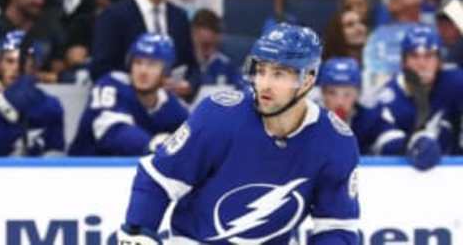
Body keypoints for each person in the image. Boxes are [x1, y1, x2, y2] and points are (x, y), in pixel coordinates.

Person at [118, 23, 360, 244]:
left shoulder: (335, 141)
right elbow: (158, 179)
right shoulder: (219, 116)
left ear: (307, 81)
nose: (264, 83)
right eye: (261, 70)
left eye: (279, 74)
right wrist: (138, 233)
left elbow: (337, 226)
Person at [90, 0, 197, 99]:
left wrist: (189, 85)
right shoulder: (114, 15)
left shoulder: (179, 16)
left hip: (170, 110)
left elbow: (192, 66)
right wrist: (142, 87)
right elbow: (100, 69)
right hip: (125, 107)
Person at [69, 33, 188, 156]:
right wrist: (152, 144)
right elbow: (112, 131)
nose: (143, 71)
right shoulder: (110, 86)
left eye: (152, 64)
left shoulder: (172, 105)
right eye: (138, 62)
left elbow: (192, 140)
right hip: (84, 171)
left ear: (166, 71)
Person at [375, 24, 463, 168]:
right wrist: (413, 144)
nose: (422, 64)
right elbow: (385, 145)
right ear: (403, 62)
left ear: (439, 61)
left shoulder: (455, 83)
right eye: (414, 56)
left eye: (429, 56)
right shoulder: (389, 97)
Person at [0, 30, 65, 156]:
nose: (16, 68)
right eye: (10, 61)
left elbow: (55, 154)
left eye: (24, 62)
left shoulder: (50, 104)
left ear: (35, 67)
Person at [318, 57, 403, 156]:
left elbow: (391, 138)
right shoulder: (308, 119)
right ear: (322, 94)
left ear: (357, 94)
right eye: (332, 93)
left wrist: (410, 144)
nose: (339, 102)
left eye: (347, 94)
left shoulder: (369, 119)